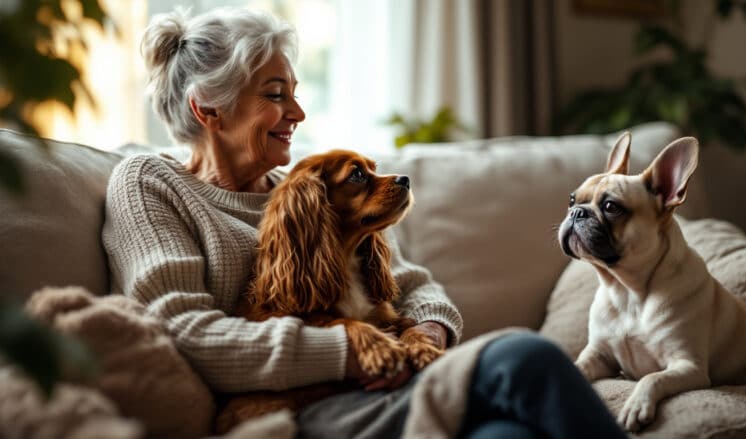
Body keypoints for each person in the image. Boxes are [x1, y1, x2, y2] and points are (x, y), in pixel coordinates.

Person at [102, 7, 626, 438]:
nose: (298, 112)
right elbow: (185, 335)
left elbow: (415, 285)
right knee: (524, 357)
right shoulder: (150, 183)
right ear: (208, 109)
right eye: (275, 93)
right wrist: (352, 350)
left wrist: (427, 330)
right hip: (291, 413)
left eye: (295, 91)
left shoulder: (308, 189)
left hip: (388, 385)